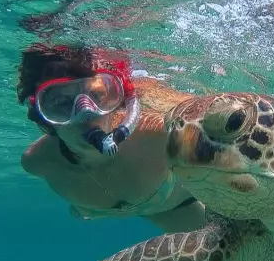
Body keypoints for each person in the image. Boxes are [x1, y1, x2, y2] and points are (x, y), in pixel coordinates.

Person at [16, 43, 207, 233]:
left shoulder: (160, 134)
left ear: (119, 98)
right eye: (61, 102)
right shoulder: (37, 161)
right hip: (153, 208)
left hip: (178, 208)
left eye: (96, 94)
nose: (86, 113)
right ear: (40, 113)